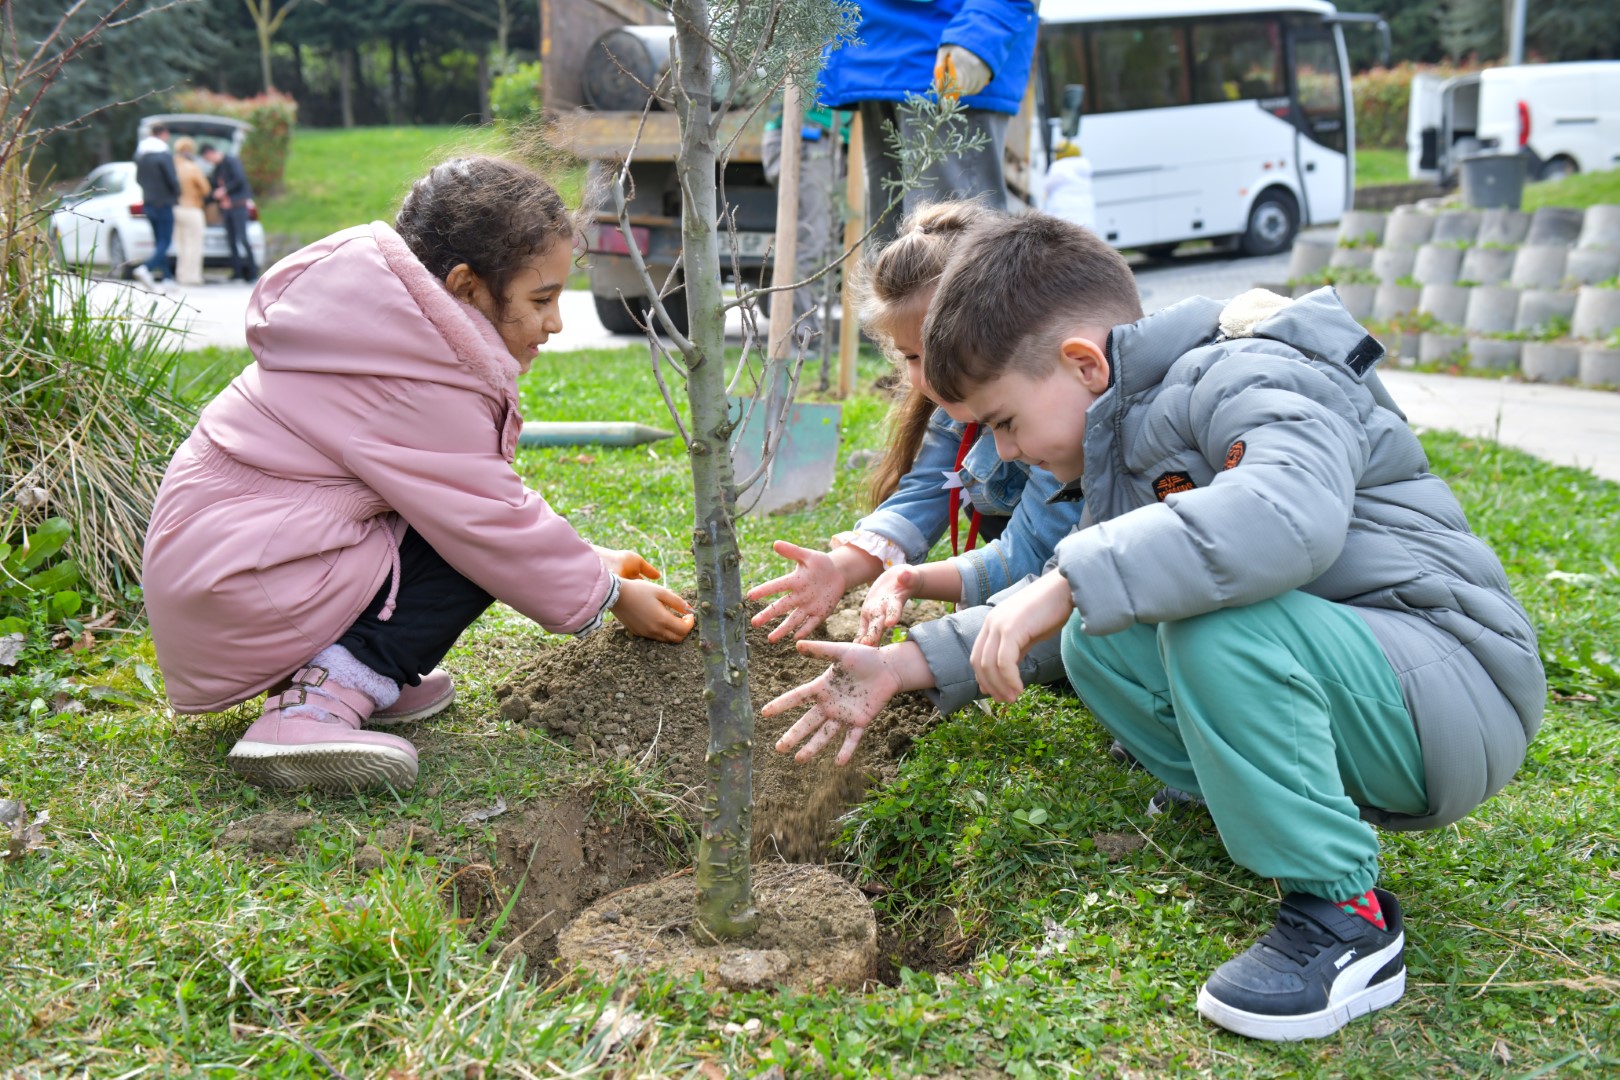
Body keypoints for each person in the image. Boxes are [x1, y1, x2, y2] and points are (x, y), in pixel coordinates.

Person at [765, 212, 1544, 1041]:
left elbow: (1286, 516)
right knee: (1096, 633)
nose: (1007, 454)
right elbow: (1073, 587)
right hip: (1372, 686)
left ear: (1082, 362)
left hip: (1457, 690)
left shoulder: (1252, 373)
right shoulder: (1120, 435)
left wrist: (1071, 577)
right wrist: (902, 665)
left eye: (1002, 423)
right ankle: (1259, 799)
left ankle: (1348, 922)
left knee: (1208, 629)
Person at [143, 156, 696, 795]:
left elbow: (453, 498)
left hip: (226, 579)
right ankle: (315, 707)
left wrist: (592, 562)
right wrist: (609, 596)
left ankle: (341, 668)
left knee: (458, 533)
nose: (555, 321)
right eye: (540, 299)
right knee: (471, 552)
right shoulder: (414, 378)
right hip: (243, 589)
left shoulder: (381, 333)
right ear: (465, 287)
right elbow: (487, 522)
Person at [747, 202, 1083, 646]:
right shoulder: (954, 414)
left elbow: (1032, 556)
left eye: (939, 349)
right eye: (912, 356)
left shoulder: (1053, 429)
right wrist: (842, 568)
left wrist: (917, 586)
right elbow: (924, 494)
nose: (929, 376)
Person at [817, 0, 1037, 246]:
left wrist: (982, 30)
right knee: (889, 259)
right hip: (872, 56)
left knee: (953, 253)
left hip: (946, 60)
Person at [760, 98, 845, 342]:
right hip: (807, 138)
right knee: (810, 241)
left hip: (820, 138)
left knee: (821, 242)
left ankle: (803, 329)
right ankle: (799, 336)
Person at [201, 143, 258, 282]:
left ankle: (252, 271)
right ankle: (237, 272)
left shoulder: (232, 162)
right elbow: (213, 188)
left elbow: (239, 179)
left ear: (210, 153)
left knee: (243, 239)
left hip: (238, 206)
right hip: (226, 208)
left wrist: (225, 190)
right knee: (231, 241)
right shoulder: (217, 169)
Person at [132, 123, 178, 288]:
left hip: (149, 202)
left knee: (159, 241)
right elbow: (172, 179)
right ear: (164, 133)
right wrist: (176, 194)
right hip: (164, 203)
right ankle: (146, 268)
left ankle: (167, 277)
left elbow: (137, 179)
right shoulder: (164, 154)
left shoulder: (141, 155)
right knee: (165, 241)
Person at [170, 137, 211, 287]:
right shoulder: (192, 167)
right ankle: (192, 276)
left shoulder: (172, 166)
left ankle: (181, 275)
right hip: (192, 207)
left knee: (181, 244)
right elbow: (205, 188)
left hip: (175, 208)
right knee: (194, 244)